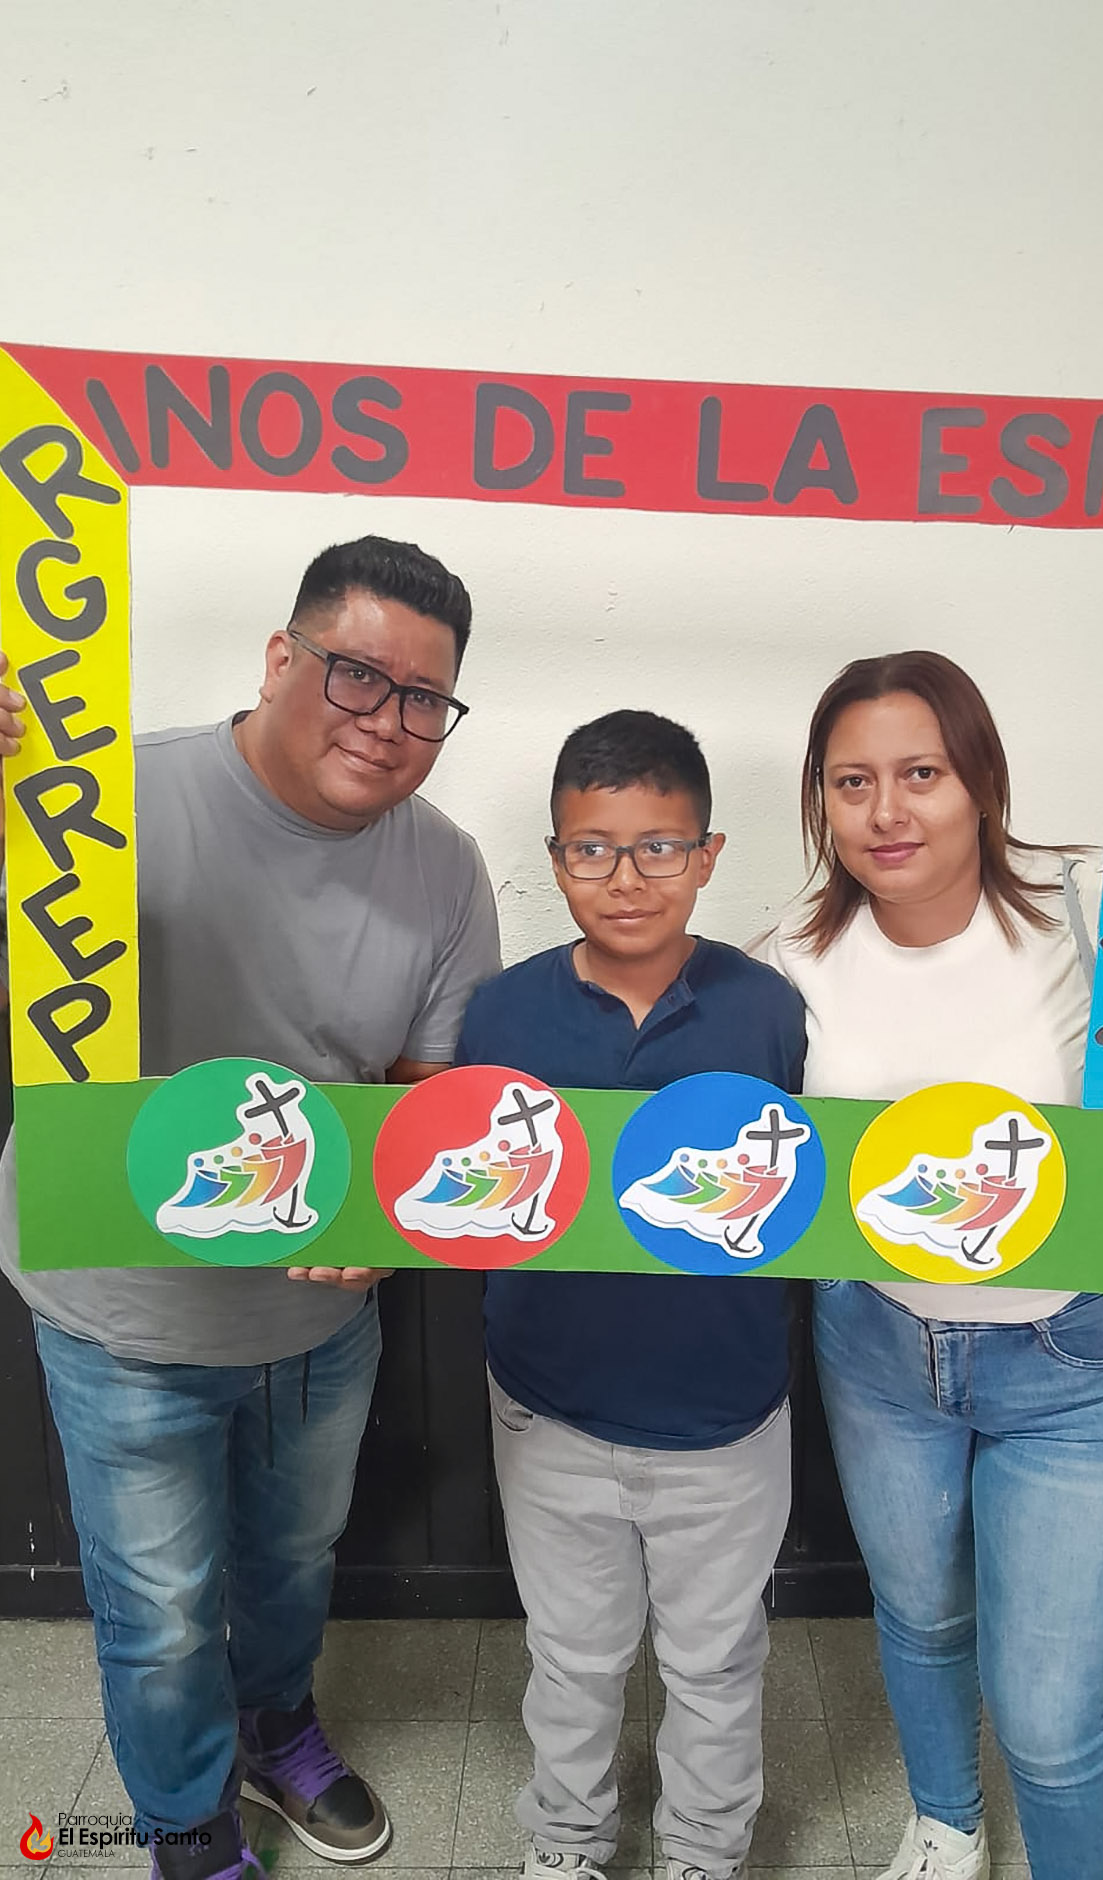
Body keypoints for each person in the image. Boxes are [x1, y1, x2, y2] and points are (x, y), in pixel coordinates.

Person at [0, 536, 501, 1880]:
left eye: (425, 699)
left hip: (316, 1323)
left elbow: (429, 1097)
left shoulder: (446, 869)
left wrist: (391, 1210)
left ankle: (278, 1727)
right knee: (163, 1614)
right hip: (121, 1313)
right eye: (356, 675)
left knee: (293, 1562)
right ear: (281, 657)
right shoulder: (94, 797)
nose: (387, 722)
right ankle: (187, 1826)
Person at [757, 651, 1103, 1880]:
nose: (886, 810)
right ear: (820, 800)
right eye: (851, 781)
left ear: (980, 780)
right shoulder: (789, 955)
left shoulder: (1099, 918)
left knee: (1048, 1716)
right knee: (921, 1616)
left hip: (1076, 1359)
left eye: (920, 773)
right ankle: (945, 1823)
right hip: (877, 1344)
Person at [453, 710, 806, 1880]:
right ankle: (566, 1837)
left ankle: (704, 1845)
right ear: (555, 857)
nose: (624, 877)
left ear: (706, 854)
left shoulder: (771, 1009)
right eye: (591, 848)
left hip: (725, 1413)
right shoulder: (498, 1013)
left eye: (658, 846)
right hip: (549, 1404)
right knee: (571, 1654)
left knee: (715, 1659)